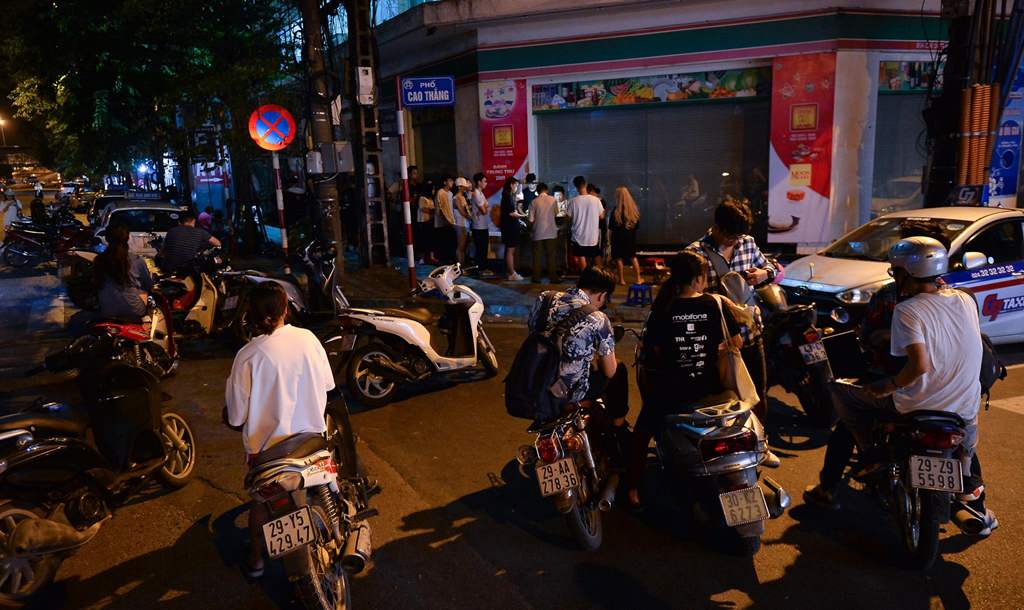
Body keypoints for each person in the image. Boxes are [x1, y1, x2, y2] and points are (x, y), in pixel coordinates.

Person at [805, 237, 997, 535]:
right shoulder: (965, 299)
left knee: (842, 393)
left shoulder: (904, 308)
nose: (894, 276)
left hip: (913, 400)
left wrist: (887, 385)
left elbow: (916, 365)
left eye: (896, 271)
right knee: (964, 445)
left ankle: (862, 458)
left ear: (907, 272)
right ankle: (972, 497)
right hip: (963, 405)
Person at [224, 282, 336, 578]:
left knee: (261, 505)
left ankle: (256, 560)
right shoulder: (308, 338)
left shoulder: (246, 356)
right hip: (313, 441)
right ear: (286, 308)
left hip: (268, 454)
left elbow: (235, 418)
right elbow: (327, 385)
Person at [626, 251, 743, 510]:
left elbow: (654, 350)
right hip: (710, 390)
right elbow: (737, 342)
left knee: (641, 434)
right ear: (700, 278)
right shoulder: (714, 304)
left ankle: (632, 488)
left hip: (671, 392)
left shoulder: (664, 307)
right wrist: (713, 350)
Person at [686, 198, 776, 435]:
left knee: (757, 393)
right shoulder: (695, 254)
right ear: (716, 227)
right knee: (722, 398)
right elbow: (687, 298)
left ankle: (760, 443)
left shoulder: (748, 244)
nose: (735, 242)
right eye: (730, 237)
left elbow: (772, 270)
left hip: (750, 334)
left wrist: (763, 274)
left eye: (738, 237)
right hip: (718, 342)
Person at [528, 266, 630, 445]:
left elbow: (532, 331)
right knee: (619, 369)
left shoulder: (544, 298)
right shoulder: (598, 318)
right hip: (569, 392)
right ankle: (618, 428)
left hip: (534, 380)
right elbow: (609, 372)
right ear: (602, 295)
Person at [93, 224, 154, 322]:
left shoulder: (98, 260)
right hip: (135, 311)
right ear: (127, 238)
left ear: (107, 239)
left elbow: (96, 284)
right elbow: (149, 286)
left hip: (107, 311)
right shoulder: (136, 260)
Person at [567, 176, 604, 271]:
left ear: (576, 187)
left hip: (578, 235)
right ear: (585, 184)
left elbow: (568, 218)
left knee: (581, 256)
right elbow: (602, 216)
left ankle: (585, 278)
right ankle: (600, 276)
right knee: (596, 255)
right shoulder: (596, 200)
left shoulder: (573, 201)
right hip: (592, 235)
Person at [609, 186, 643, 285]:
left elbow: (611, 227)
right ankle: (638, 279)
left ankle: (622, 280)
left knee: (619, 258)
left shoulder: (615, 211)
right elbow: (637, 226)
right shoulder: (633, 209)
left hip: (617, 237)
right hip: (630, 237)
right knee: (633, 257)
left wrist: (610, 240)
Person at [529, 183, 560, 283]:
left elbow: (531, 219)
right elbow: (556, 214)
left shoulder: (533, 202)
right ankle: (553, 278)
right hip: (551, 231)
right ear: (546, 190)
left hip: (537, 232)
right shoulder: (553, 200)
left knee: (537, 257)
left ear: (537, 191)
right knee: (551, 256)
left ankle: (536, 278)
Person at [500, 177, 525, 281]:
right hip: (510, 227)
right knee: (511, 250)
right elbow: (511, 213)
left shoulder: (507, 196)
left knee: (510, 250)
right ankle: (512, 273)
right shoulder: (507, 196)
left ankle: (510, 272)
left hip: (509, 226)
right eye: (516, 185)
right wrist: (523, 216)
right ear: (511, 184)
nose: (516, 187)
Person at [470, 172, 491, 274]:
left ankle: (483, 268)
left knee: (484, 248)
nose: (486, 183)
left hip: (483, 225)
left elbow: (487, 206)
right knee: (480, 249)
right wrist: (484, 208)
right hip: (478, 226)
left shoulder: (481, 193)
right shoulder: (476, 194)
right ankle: (480, 269)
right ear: (479, 182)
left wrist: (484, 208)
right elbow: (484, 210)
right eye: (484, 181)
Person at [433, 176, 457, 263]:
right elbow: (441, 209)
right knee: (443, 245)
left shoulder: (450, 193)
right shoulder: (440, 192)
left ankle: (449, 261)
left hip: (450, 222)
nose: (452, 182)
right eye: (450, 180)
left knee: (450, 244)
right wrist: (446, 221)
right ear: (444, 182)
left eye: (452, 180)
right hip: (442, 224)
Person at [453, 177, 472, 265]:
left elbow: (467, 210)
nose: (465, 188)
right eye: (463, 186)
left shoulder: (462, 197)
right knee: (461, 247)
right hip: (460, 224)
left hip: (465, 224)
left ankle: (463, 265)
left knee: (464, 247)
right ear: (459, 187)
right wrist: (471, 217)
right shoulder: (456, 198)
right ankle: (460, 267)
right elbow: (462, 212)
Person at [415, 181, 436, 265]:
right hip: (423, 222)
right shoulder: (422, 198)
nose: (434, 190)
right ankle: (422, 258)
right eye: (433, 189)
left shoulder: (431, 199)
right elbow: (424, 209)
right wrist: (434, 211)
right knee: (423, 241)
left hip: (430, 221)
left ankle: (431, 257)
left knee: (430, 240)